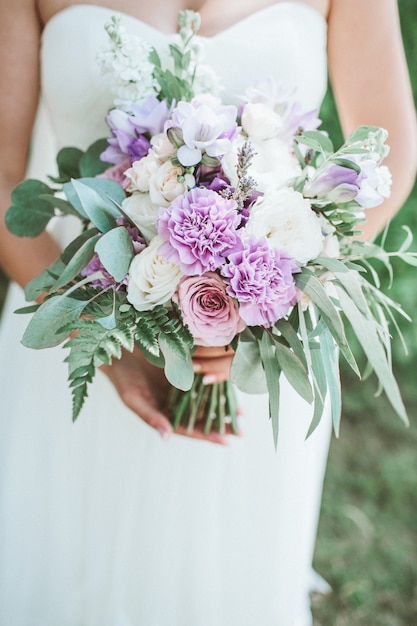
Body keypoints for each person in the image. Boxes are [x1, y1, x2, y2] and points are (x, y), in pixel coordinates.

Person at [0, 1, 415, 625]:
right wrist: (93, 336)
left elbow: (388, 151)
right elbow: (4, 173)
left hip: (263, 342)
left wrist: (275, 290)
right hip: (72, 313)